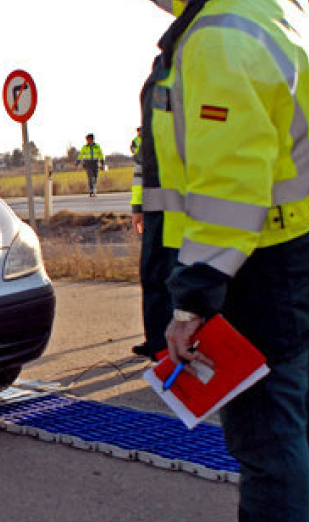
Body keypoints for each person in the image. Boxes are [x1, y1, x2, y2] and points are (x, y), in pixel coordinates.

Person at [148, 1, 309, 522]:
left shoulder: (219, 37)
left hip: (261, 271)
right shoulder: (274, 5)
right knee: (304, 410)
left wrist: (193, 299)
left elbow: (229, 187)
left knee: (266, 439)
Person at [130, 57, 177, 362]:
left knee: (178, 278)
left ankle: (171, 342)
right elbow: (141, 167)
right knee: (154, 276)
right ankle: (157, 341)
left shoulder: (186, 74)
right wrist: (138, 207)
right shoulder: (158, 81)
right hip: (157, 209)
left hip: (185, 208)